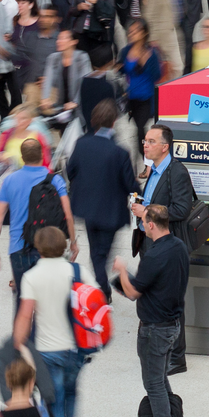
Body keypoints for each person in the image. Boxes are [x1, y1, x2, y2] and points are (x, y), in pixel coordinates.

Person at [116, 204, 191, 417]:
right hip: (172, 326)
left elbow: (132, 292)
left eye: (143, 220)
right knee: (160, 379)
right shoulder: (179, 247)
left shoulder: (154, 255)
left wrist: (122, 271)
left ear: (150, 224)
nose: (141, 224)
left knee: (154, 384)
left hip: (154, 330)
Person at [12, 224, 82, 417]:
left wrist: (18, 343)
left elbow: (25, 315)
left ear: (39, 248)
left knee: (53, 400)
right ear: (63, 247)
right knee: (70, 395)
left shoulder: (32, 276)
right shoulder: (77, 271)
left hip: (48, 350)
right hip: (75, 348)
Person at [66, 100, 136, 291]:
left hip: (87, 208)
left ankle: (101, 285)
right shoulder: (120, 153)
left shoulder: (81, 144)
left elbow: (70, 171)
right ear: (114, 122)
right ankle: (103, 288)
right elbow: (131, 185)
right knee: (101, 253)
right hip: (111, 212)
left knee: (96, 251)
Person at [0, 138, 75, 289]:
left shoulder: (9, 181)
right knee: (47, 299)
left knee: (23, 300)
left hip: (18, 247)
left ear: (22, 158)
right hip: (49, 247)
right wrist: (73, 242)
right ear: (42, 155)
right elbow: (67, 214)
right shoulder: (55, 180)